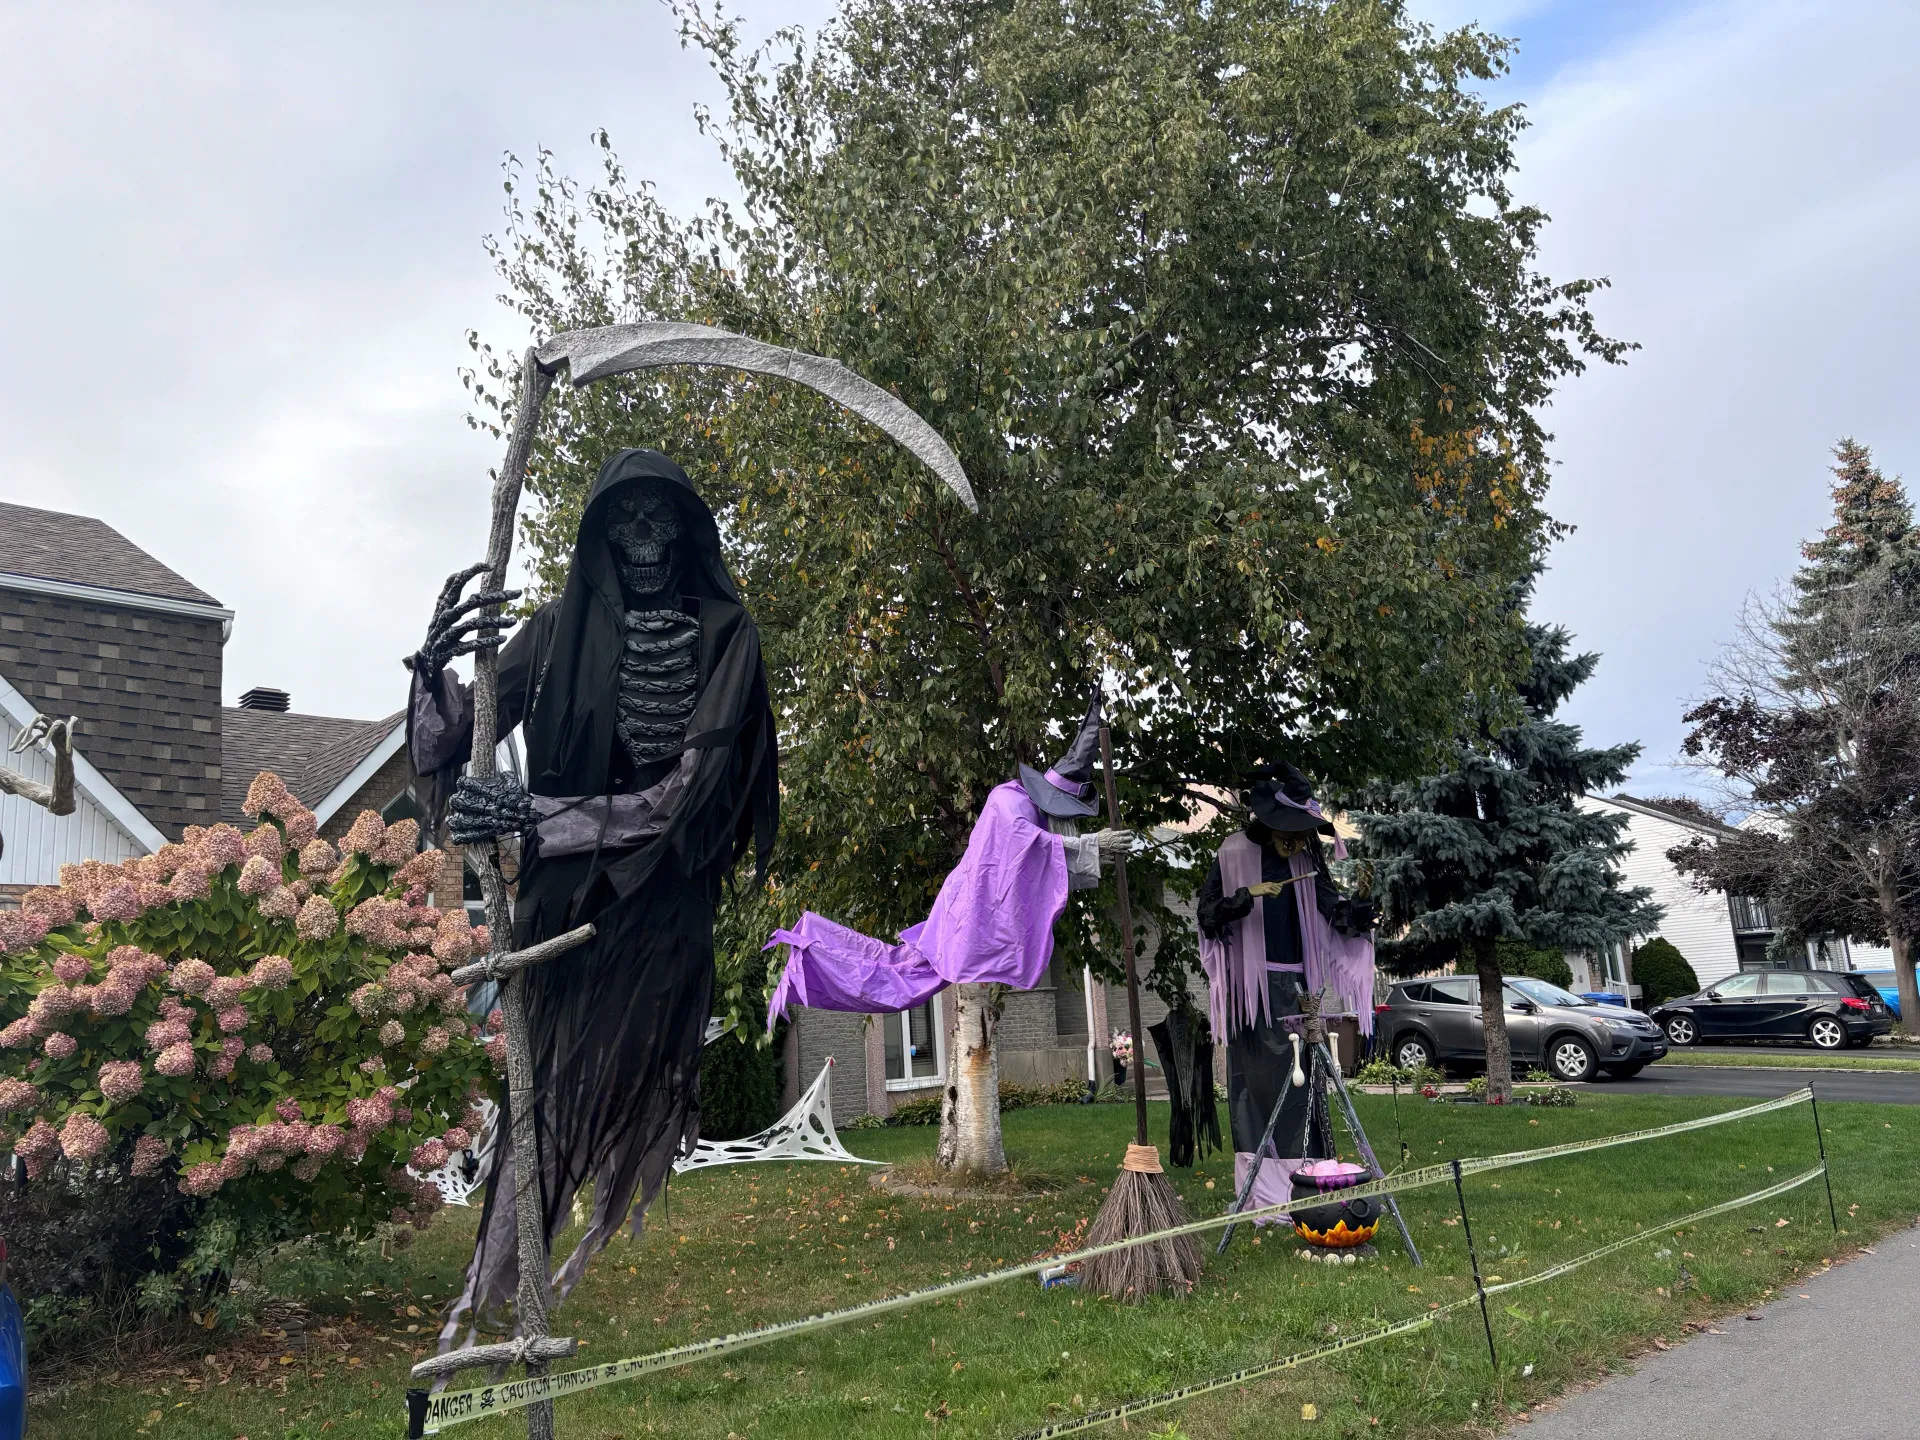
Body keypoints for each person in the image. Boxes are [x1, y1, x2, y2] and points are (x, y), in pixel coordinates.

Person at [407, 449, 778, 1344]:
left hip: (659, 918)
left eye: (661, 521)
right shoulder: (556, 629)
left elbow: (684, 798)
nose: (646, 542)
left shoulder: (726, 635)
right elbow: (448, 740)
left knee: (592, 1102)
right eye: (627, 522)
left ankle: (500, 1306)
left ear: (687, 531)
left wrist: (534, 815)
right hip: (562, 914)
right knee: (536, 1104)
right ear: (604, 534)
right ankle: (488, 1308)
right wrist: (430, 671)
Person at [766, 697, 1131, 1021]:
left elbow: (1036, 866)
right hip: (965, 918)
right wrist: (1092, 846)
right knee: (902, 976)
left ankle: (815, 942)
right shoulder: (1011, 803)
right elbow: (1029, 847)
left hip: (966, 915)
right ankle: (813, 951)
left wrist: (1096, 854)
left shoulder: (1023, 805)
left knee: (904, 971)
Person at [1196, 763, 1376, 1215]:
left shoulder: (1306, 858)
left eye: (1301, 835)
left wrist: (1360, 911)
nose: (1295, 844)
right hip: (1252, 997)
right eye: (1288, 834)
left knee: (1304, 1086)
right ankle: (1263, 1189)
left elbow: (1331, 909)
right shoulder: (1233, 852)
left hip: (1299, 988)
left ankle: (1309, 1181)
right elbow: (1207, 915)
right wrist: (1247, 895)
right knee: (1258, 1084)